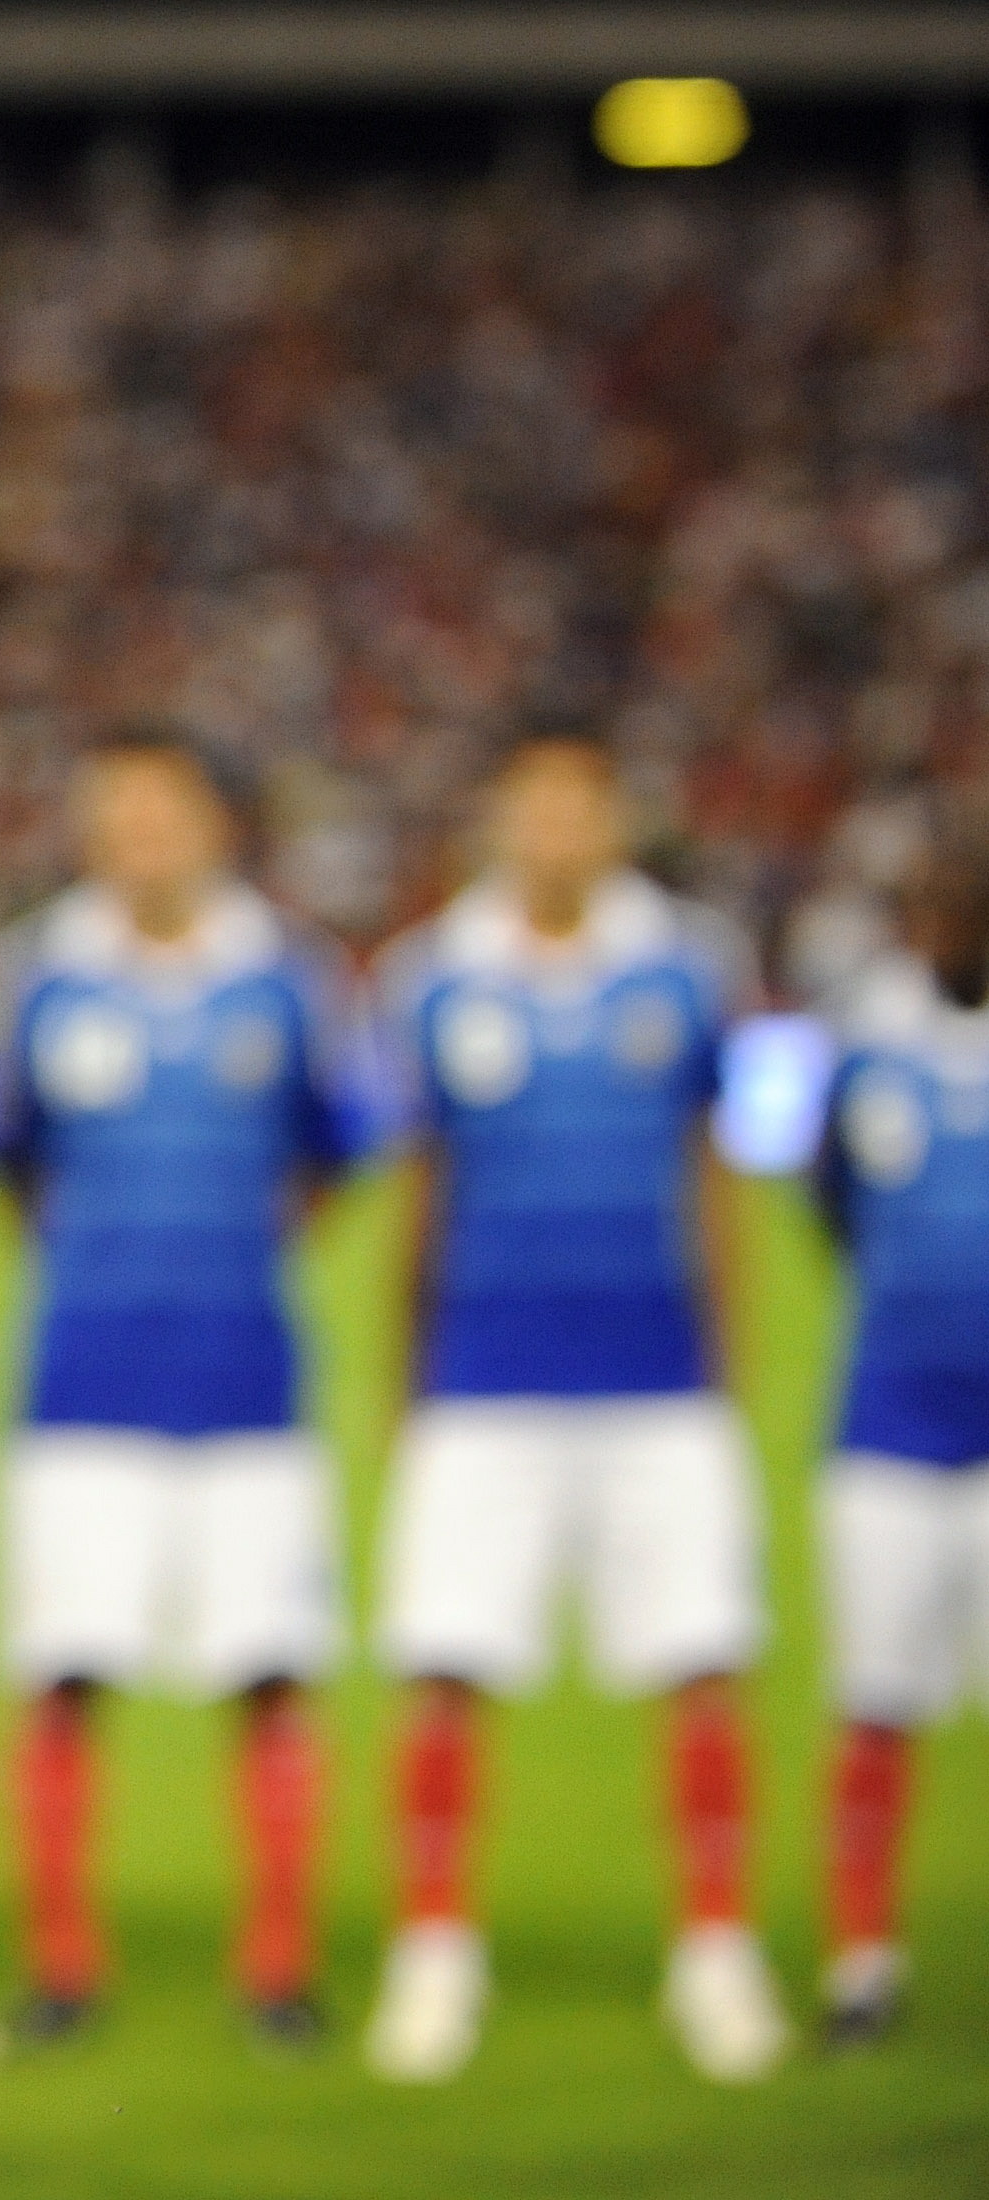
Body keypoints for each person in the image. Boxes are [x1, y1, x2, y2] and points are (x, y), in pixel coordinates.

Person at [366, 729, 785, 2084]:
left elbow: (710, 1165)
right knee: (446, 1661)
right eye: (531, 799)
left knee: (701, 1657)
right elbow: (419, 1184)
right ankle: (435, 1950)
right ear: (500, 816)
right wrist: (400, 1368)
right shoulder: (434, 974)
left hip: (656, 1380)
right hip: (482, 1380)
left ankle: (716, 1948)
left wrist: (730, 1347)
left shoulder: (689, 963)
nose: (553, 824)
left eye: (577, 801)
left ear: (612, 818)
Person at [0, 730, 364, 2051]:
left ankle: (276, 1965)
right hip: (83, 1383)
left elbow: (329, 1156)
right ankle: (61, 1964)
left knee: (268, 1669)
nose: (140, 832)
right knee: (64, 1670)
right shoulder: (40, 976)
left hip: (248, 1383)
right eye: (116, 811)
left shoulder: (288, 979)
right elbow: (12, 1165)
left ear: (215, 824)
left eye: (162, 808)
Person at [807, 838, 989, 2050]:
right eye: (943, 900)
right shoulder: (870, 1045)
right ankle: (863, 1959)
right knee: (877, 1702)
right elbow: (834, 1208)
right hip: (888, 1428)